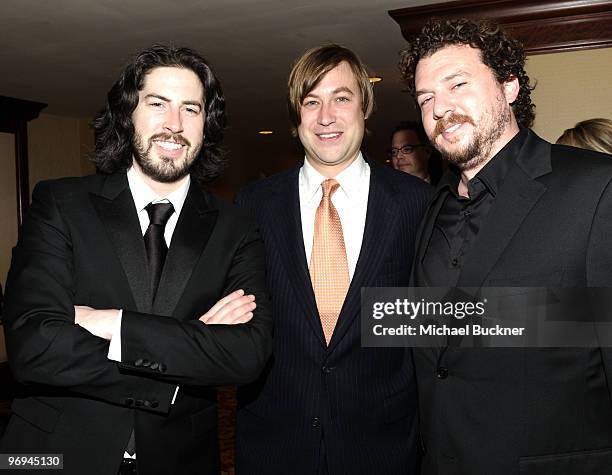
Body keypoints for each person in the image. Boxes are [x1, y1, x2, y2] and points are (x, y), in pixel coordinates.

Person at [0, 44, 272, 475]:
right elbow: (34, 345)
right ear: (128, 115)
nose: (174, 125)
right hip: (54, 456)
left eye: (191, 109)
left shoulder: (235, 226)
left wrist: (114, 324)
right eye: (157, 104)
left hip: (182, 460)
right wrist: (189, 346)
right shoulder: (60, 203)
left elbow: (248, 354)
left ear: (207, 125)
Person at [399, 18, 612, 475]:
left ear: (509, 85)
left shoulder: (594, 188)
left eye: (457, 84)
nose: (441, 108)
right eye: (426, 98)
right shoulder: (430, 208)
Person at [234, 44, 431, 475]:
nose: (326, 116)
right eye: (311, 101)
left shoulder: (419, 204)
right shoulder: (251, 206)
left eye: (341, 98)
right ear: (297, 116)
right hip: (275, 445)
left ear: (365, 107)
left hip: (383, 445)